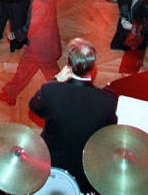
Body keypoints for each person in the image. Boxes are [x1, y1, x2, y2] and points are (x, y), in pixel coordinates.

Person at [28, 38, 117, 193]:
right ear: (93, 66)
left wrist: (56, 79)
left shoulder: (50, 90)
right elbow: (109, 130)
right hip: (85, 163)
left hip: (51, 157)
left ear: (69, 64)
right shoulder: (107, 100)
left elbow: (34, 106)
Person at [0, 0, 62, 105]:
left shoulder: (40, 0)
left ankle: (65, 100)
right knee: (24, 70)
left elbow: (32, 25)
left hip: (42, 46)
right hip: (40, 43)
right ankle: (10, 94)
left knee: (55, 79)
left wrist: (15, 34)